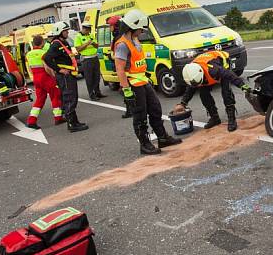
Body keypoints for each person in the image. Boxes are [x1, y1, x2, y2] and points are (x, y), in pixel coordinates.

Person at [113, 9, 181, 154]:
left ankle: (162, 138)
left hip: (143, 81)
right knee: (140, 115)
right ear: (133, 26)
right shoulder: (122, 45)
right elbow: (119, 69)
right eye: (140, 29)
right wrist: (126, 91)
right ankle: (144, 144)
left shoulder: (135, 40)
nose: (142, 31)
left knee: (155, 109)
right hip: (133, 84)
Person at [174, 50, 250, 132]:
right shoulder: (192, 73)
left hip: (223, 63)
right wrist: (183, 103)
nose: (199, 85)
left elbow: (231, 76)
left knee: (226, 93)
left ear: (202, 74)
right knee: (203, 94)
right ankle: (215, 118)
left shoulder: (214, 70)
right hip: (206, 65)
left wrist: (243, 86)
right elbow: (190, 89)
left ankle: (232, 119)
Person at [43, 21, 88, 132]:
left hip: (69, 75)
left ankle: (75, 121)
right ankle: (72, 124)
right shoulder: (56, 44)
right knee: (69, 99)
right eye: (65, 31)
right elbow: (47, 58)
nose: (67, 32)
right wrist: (59, 70)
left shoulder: (63, 42)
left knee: (73, 98)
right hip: (64, 76)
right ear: (59, 32)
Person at [25, 34, 64, 129]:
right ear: (42, 43)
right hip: (45, 77)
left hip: (36, 78)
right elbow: (47, 68)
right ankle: (58, 118)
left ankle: (31, 120)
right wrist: (53, 76)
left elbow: (29, 68)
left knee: (40, 100)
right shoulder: (43, 53)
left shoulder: (28, 54)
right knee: (55, 95)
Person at [74, 22, 104, 100]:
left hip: (94, 57)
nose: (89, 31)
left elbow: (97, 45)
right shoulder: (78, 37)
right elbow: (78, 49)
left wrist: (93, 43)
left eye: (89, 30)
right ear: (83, 29)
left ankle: (98, 92)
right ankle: (92, 94)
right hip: (86, 59)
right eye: (87, 30)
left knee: (97, 76)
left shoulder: (91, 35)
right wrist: (87, 43)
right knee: (89, 78)